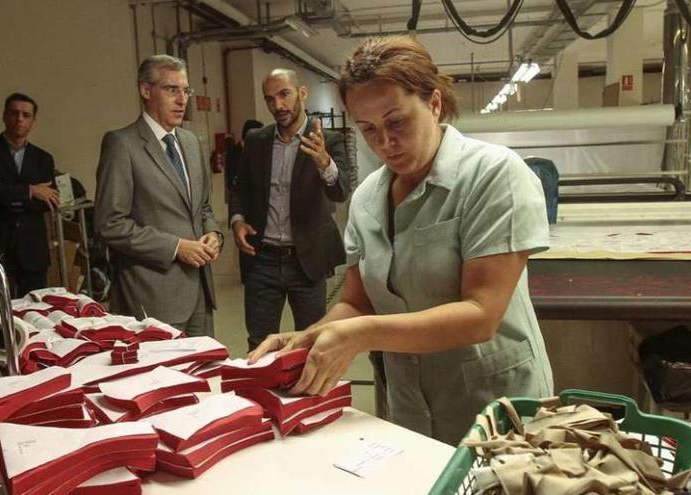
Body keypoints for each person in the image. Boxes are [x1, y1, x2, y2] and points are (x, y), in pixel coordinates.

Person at [249, 37, 554, 446]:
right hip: (409, 408)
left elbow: (481, 313)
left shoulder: (494, 175)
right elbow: (357, 302)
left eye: (396, 122)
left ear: (434, 103)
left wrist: (360, 335)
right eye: (368, 129)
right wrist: (308, 336)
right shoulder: (368, 199)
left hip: (495, 409)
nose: (384, 143)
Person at [95, 54, 221, 337]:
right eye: (171, 89)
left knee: (204, 377)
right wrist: (176, 247)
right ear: (145, 90)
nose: (182, 99)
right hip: (152, 299)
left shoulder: (190, 143)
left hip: (200, 294)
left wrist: (214, 235)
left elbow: (202, 208)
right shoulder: (122, 145)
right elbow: (109, 224)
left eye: (185, 90)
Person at [229, 69, 351, 351]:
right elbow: (240, 188)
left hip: (307, 262)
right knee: (259, 344)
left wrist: (324, 163)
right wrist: (237, 221)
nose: (278, 106)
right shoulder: (257, 140)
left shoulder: (328, 141)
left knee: (311, 346)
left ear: (302, 93)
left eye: (284, 94)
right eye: (270, 99)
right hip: (262, 261)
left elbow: (340, 191)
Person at [0, 92, 59, 332]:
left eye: (26, 115)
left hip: (31, 245)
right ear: (4, 116)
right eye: (14, 113)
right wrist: (31, 190)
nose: (19, 119)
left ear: (33, 121)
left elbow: (48, 202)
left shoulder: (43, 158)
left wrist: (2, 186)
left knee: (35, 311)